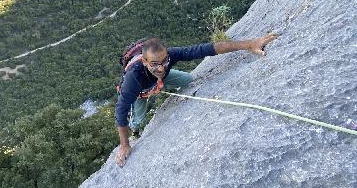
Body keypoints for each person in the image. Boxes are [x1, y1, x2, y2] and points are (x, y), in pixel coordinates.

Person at [115, 33, 278, 167]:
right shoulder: (133, 79)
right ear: (144, 61)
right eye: (155, 64)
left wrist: (249, 44)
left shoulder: (169, 57)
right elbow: (121, 110)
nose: (161, 67)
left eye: (164, 61)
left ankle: (159, 85)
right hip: (140, 92)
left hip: (158, 81)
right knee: (139, 115)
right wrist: (124, 144)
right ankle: (135, 129)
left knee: (187, 79)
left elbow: (205, 49)